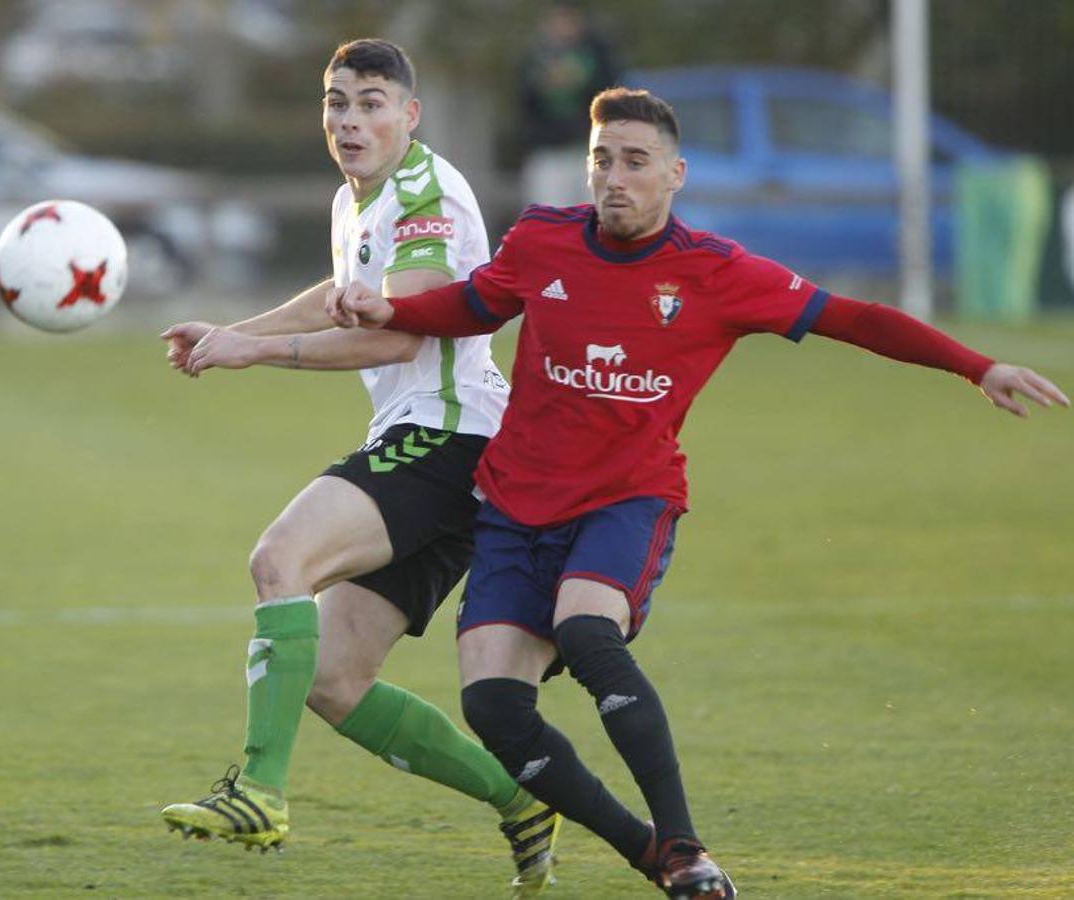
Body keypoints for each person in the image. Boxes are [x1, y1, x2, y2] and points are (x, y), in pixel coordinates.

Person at [328, 86, 1068, 899]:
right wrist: (390, 306)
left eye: (634, 162)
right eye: (601, 160)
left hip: (625, 499)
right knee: (495, 710)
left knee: (585, 627)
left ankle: (685, 844)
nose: (613, 177)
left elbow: (853, 318)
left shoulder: (716, 272)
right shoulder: (543, 238)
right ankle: (649, 855)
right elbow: (472, 306)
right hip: (511, 505)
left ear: (675, 174)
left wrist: (977, 365)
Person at [157, 39, 563, 895]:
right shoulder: (364, 196)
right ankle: (523, 801)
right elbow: (338, 285)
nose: (350, 119)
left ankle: (258, 791)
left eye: (371, 101)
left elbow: (400, 330)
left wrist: (255, 356)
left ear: (409, 115)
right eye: (336, 102)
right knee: (336, 680)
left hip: (448, 437)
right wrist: (238, 332)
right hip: (438, 441)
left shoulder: (423, 198)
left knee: (279, 561)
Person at [517, 1, 617, 206]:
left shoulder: (597, 55)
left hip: (588, 150)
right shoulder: (534, 59)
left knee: (594, 215)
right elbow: (525, 103)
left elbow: (610, 95)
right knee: (549, 217)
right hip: (548, 151)